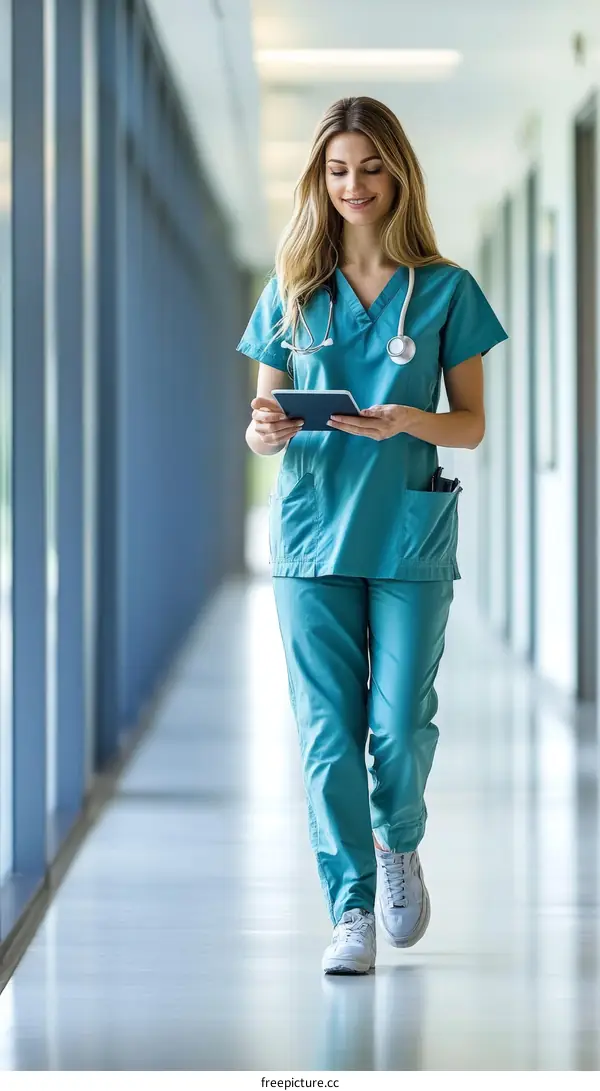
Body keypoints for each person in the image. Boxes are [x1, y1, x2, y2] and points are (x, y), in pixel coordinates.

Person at [236, 96, 508, 975]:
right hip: (311, 535)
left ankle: (398, 837)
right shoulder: (292, 288)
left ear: (399, 174)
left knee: (396, 725)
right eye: (338, 170)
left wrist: (407, 419)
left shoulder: (446, 291)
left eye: (370, 167)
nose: (354, 185)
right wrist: (266, 429)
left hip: (405, 536)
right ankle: (350, 909)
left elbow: (471, 423)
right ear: (319, 179)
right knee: (328, 732)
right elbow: (261, 423)